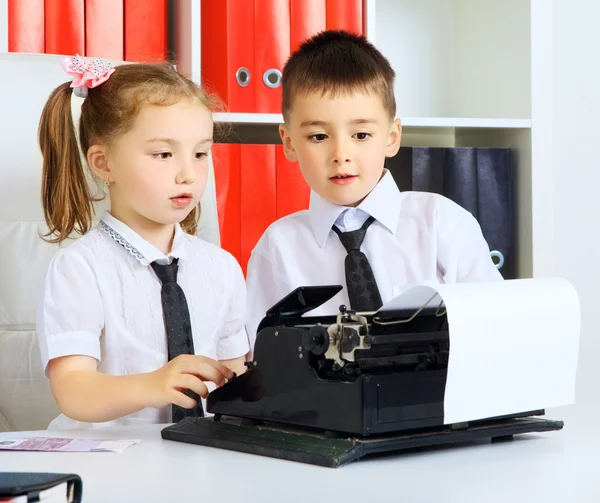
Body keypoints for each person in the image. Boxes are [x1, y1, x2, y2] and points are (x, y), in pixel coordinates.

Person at [245, 30, 502, 348]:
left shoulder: (441, 223)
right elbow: (262, 357)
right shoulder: (277, 248)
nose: (341, 154)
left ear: (392, 136)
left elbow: (495, 327)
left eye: (361, 135)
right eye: (319, 137)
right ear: (288, 142)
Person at [36, 55, 248, 429]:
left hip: (200, 459)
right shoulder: (79, 269)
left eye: (200, 153)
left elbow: (235, 379)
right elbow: (73, 390)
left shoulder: (223, 267)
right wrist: (154, 385)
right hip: (106, 460)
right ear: (104, 164)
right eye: (163, 154)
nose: (188, 174)